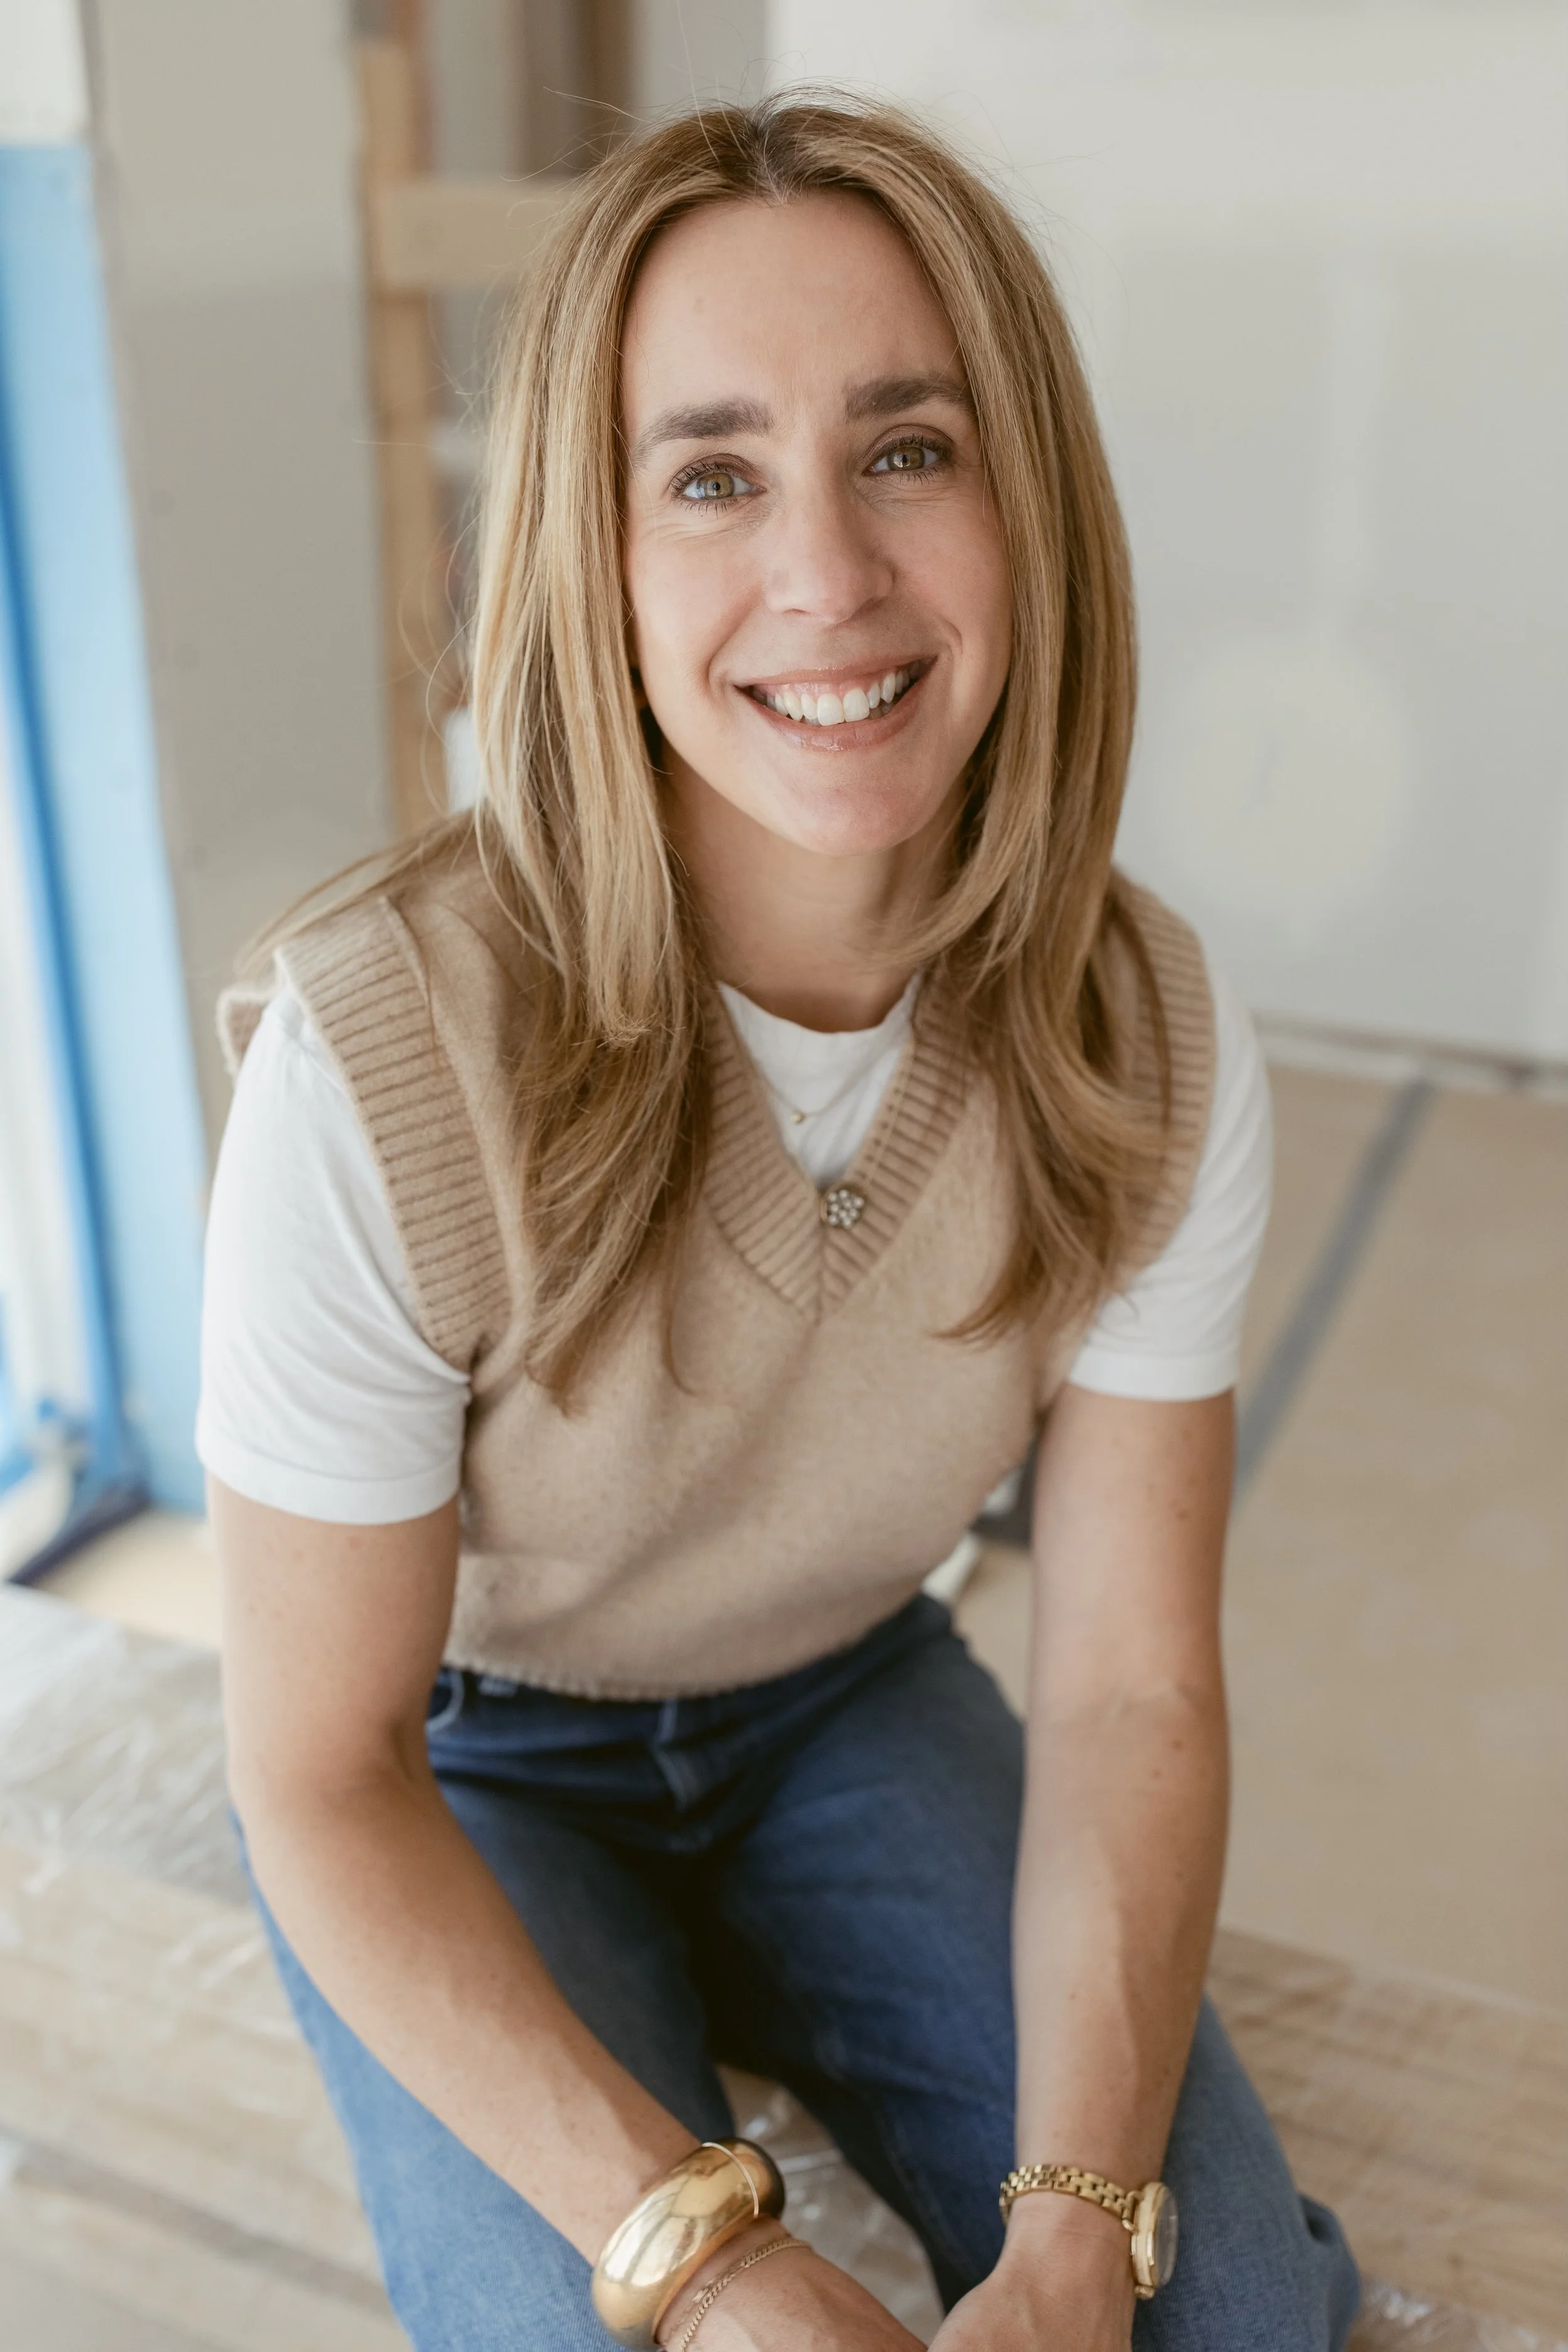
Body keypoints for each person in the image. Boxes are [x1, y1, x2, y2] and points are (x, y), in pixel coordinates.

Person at [200, 94, 1359, 2352]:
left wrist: (1066, 2231)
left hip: (845, 1697)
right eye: (710, 472)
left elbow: (1126, 1683)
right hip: (462, 1760)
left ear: (1026, 504)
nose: (827, 573)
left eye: (908, 448)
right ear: (590, 552)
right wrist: (710, 2265)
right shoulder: (375, 1058)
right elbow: (315, 1772)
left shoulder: (1148, 1031)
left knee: (1217, 2307)